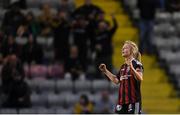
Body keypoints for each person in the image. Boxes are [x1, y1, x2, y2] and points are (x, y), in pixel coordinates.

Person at [99, 41, 144, 114]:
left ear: (132, 50)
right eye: (122, 48)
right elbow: (116, 80)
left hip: (133, 101)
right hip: (122, 102)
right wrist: (105, 71)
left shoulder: (137, 64)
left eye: (125, 48)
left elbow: (140, 78)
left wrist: (132, 68)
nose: (122, 50)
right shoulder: (123, 67)